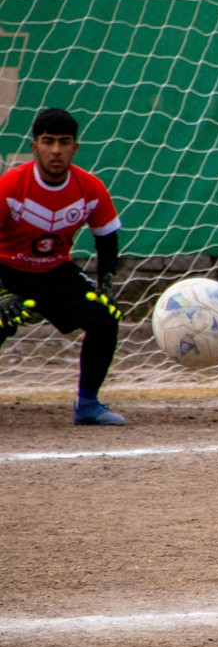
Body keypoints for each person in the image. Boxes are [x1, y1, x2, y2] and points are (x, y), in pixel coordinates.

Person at [0, 108, 127, 425]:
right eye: (48, 141)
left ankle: (88, 405)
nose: (56, 150)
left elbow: (107, 238)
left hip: (56, 273)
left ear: (75, 147)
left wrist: (106, 286)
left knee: (103, 317)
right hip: (6, 271)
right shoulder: (10, 186)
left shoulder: (91, 189)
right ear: (34, 147)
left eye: (64, 141)